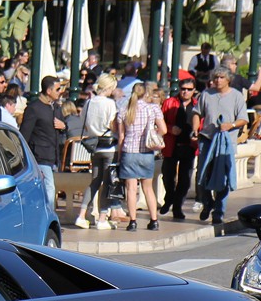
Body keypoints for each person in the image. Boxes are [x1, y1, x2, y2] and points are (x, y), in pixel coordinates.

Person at [196, 67, 246, 224]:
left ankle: (218, 212)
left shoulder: (237, 96)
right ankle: (207, 202)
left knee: (223, 177)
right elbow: (197, 113)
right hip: (207, 139)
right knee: (202, 175)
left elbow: (243, 119)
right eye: (215, 77)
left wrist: (230, 125)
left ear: (228, 79)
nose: (217, 80)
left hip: (226, 143)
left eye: (221, 77)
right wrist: (194, 129)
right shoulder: (206, 94)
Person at [74, 75, 120, 230]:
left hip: (94, 145)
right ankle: (102, 218)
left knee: (94, 181)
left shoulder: (88, 102)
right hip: (108, 146)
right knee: (108, 183)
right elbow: (113, 125)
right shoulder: (110, 103)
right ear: (109, 87)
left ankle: (81, 215)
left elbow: (84, 123)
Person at [115, 82, 163, 231]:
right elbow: (164, 129)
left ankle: (133, 221)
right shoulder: (152, 109)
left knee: (131, 188)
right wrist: (154, 136)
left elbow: (121, 136)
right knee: (148, 188)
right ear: (146, 93)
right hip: (146, 151)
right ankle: (154, 220)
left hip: (129, 151)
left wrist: (119, 154)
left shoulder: (125, 110)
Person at [20, 75, 67, 210]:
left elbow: (63, 128)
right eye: (58, 89)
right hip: (40, 155)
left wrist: (63, 126)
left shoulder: (56, 108)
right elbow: (24, 134)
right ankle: (48, 217)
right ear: (49, 91)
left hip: (53, 155)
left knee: (48, 189)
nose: (60, 92)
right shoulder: (34, 108)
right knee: (49, 187)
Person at [158, 78, 200, 220]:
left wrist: (197, 134)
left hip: (189, 145)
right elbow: (159, 121)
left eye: (189, 89)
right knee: (167, 175)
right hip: (171, 144)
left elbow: (202, 122)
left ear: (194, 91)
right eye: (183, 89)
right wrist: (170, 129)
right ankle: (169, 196)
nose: (185, 92)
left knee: (185, 179)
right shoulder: (170, 102)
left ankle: (177, 207)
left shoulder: (197, 105)